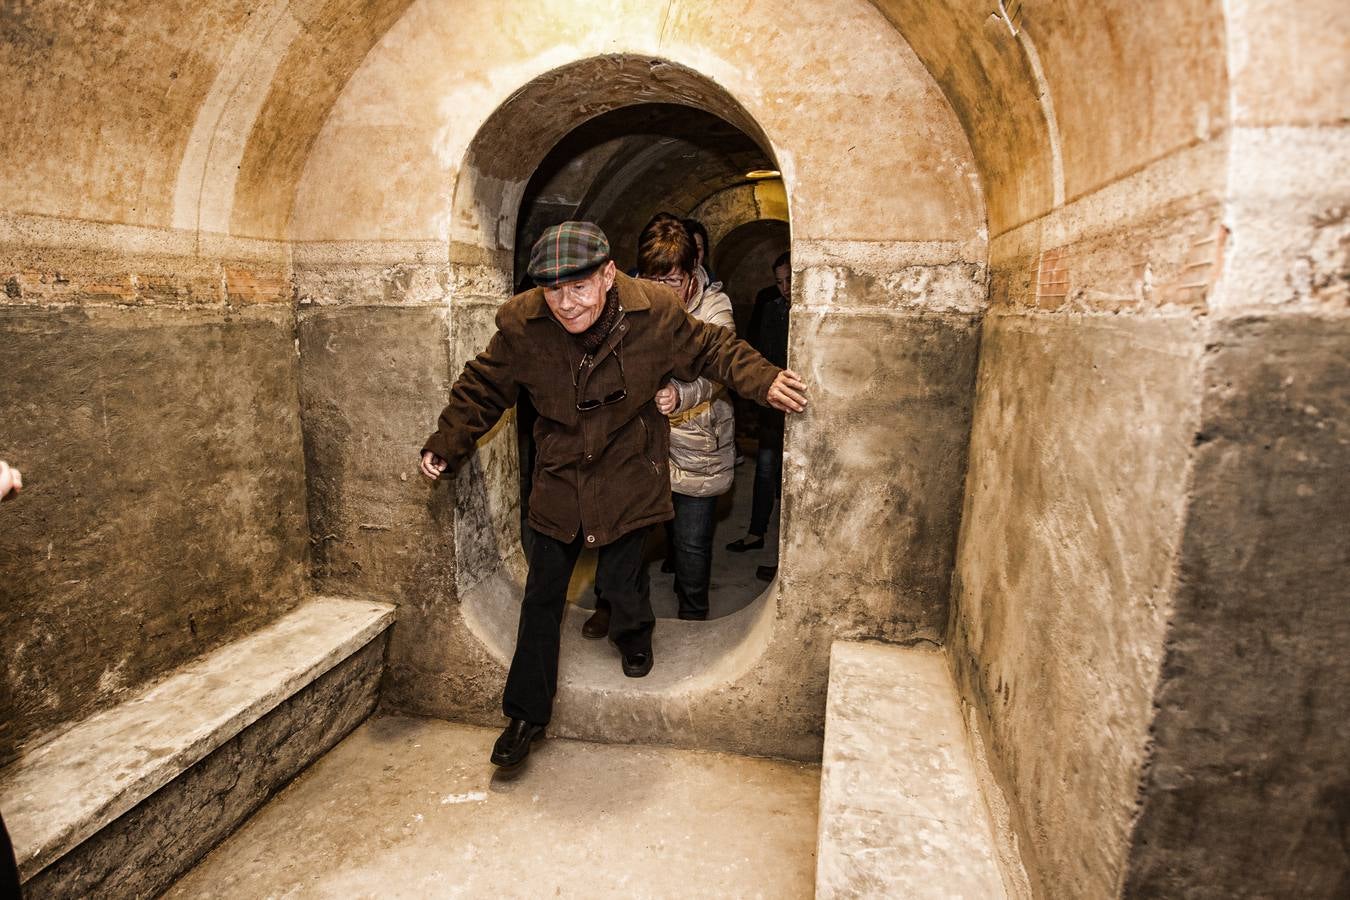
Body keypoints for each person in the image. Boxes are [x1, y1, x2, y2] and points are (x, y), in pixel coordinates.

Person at [419, 222, 807, 769]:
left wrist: (762, 379)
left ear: (608, 275)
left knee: (624, 578)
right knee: (543, 595)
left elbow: (713, 347)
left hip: (629, 466)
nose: (566, 302)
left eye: (578, 287)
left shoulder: (654, 310)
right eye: (553, 290)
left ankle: (634, 635)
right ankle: (526, 713)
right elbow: (483, 385)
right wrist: (449, 440)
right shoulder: (523, 322)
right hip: (561, 474)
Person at [582, 218, 735, 635]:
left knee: (690, 542)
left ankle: (693, 617)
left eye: (671, 280)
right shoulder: (625, 298)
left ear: (692, 271)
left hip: (695, 443)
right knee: (622, 532)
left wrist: (680, 395)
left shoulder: (715, 307)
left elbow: (720, 369)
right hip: (640, 440)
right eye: (652, 279)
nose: (661, 291)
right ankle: (609, 606)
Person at [726, 251, 792, 582]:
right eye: (779, 281)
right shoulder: (772, 309)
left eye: (790, 280)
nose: (785, 288)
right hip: (773, 409)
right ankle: (756, 532)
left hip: (800, 406)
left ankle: (785, 555)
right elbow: (761, 359)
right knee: (765, 472)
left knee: (790, 481)